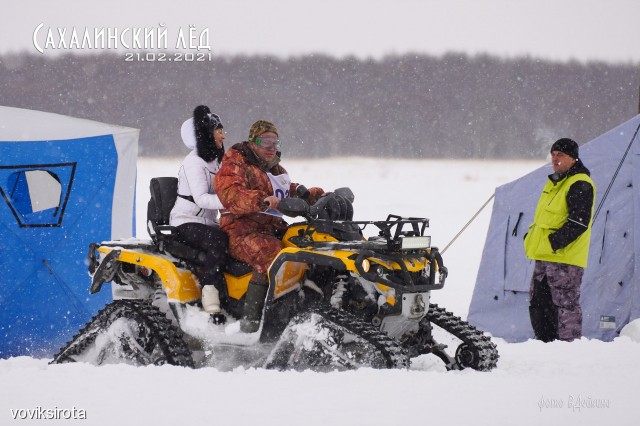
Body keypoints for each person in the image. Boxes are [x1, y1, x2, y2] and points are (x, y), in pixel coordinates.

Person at [214, 120, 324, 332]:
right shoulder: (235, 164)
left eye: (275, 141)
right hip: (240, 230)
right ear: (253, 142)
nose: (271, 146)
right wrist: (262, 200)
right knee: (272, 255)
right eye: (266, 141)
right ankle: (252, 323)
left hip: (271, 228)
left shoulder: (275, 168)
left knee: (305, 244)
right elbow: (231, 194)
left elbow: (284, 191)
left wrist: (310, 195)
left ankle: (306, 305)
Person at [524, 138, 596, 342]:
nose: (555, 159)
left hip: (564, 259)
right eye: (553, 154)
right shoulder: (555, 182)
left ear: (573, 158)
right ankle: (545, 344)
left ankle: (568, 350)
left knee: (565, 307)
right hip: (543, 256)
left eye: (560, 155)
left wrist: (554, 243)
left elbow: (579, 223)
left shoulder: (580, 183)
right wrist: (531, 239)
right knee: (539, 304)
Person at [169, 105, 228, 314]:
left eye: (222, 129)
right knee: (218, 240)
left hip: (209, 222)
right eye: (218, 130)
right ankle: (210, 293)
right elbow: (202, 199)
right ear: (205, 135)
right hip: (185, 222)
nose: (223, 134)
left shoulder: (217, 162)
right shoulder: (194, 163)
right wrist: (231, 201)